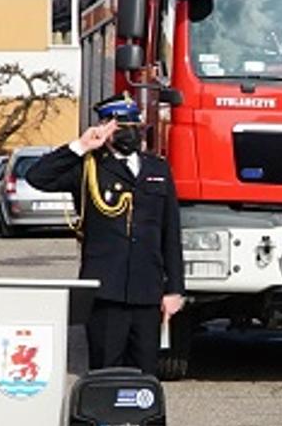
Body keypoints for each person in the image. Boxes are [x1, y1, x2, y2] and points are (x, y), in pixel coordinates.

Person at [24, 94, 184, 374]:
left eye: (134, 126)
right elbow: (37, 177)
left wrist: (175, 289)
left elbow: (170, 233)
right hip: (106, 291)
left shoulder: (157, 168)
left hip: (147, 292)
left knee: (144, 374)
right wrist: (81, 146)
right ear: (106, 128)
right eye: (121, 127)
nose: (129, 133)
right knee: (105, 371)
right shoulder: (88, 166)